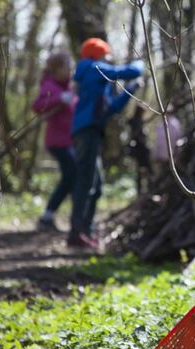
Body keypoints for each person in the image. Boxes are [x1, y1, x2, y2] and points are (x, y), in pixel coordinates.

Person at [68, 38, 144, 249]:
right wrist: (141, 64)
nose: (109, 58)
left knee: (96, 186)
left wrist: (131, 89)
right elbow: (130, 71)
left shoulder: (96, 79)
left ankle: (85, 230)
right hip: (87, 131)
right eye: (106, 54)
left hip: (92, 131)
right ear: (97, 54)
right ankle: (76, 232)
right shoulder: (93, 68)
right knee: (85, 182)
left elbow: (112, 108)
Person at [32, 52, 76, 232]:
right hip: (58, 142)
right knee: (72, 175)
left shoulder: (69, 87)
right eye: (67, 67)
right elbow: (37, 105)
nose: (70, 70)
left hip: (69, 141)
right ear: (57, 69)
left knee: (71, 177)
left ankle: (51, 216)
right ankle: (49, 216)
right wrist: (59, 98)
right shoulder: (50, 85)